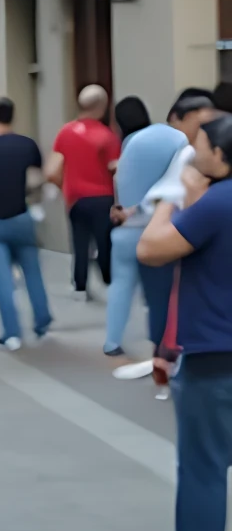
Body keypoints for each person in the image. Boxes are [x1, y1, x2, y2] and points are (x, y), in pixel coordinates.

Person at [124, 110, 232, 531]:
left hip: (216, 352)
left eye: (200, 145)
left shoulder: (217, 204)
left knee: (203, 467)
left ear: (221, 156)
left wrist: (173, 195)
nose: (193, 151)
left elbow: (150, 249)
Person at [104, 97, 184, 360]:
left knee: (121, 285)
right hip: (158, 229)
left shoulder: (129, 145)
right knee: (159, 293)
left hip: (126, 230)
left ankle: (112, 341)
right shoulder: (173, 140)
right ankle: (159, 346)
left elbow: (122, 186)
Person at [0, 98, 51, 350]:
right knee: (32, 271)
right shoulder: (28, 145)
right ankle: (42, 320)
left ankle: (12, 333)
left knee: (3, 279)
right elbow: (38, 179)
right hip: (21, 217)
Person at [46, 84, 120, 296]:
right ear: (103, 106)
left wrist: (66, 185)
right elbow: (115, 169)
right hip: (102, 197)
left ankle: (80, 285)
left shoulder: (66, 132)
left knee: (79, 242)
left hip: (76, 198)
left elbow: (51, 170)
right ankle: (108, 281)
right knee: (104, 242)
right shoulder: (107, 136)